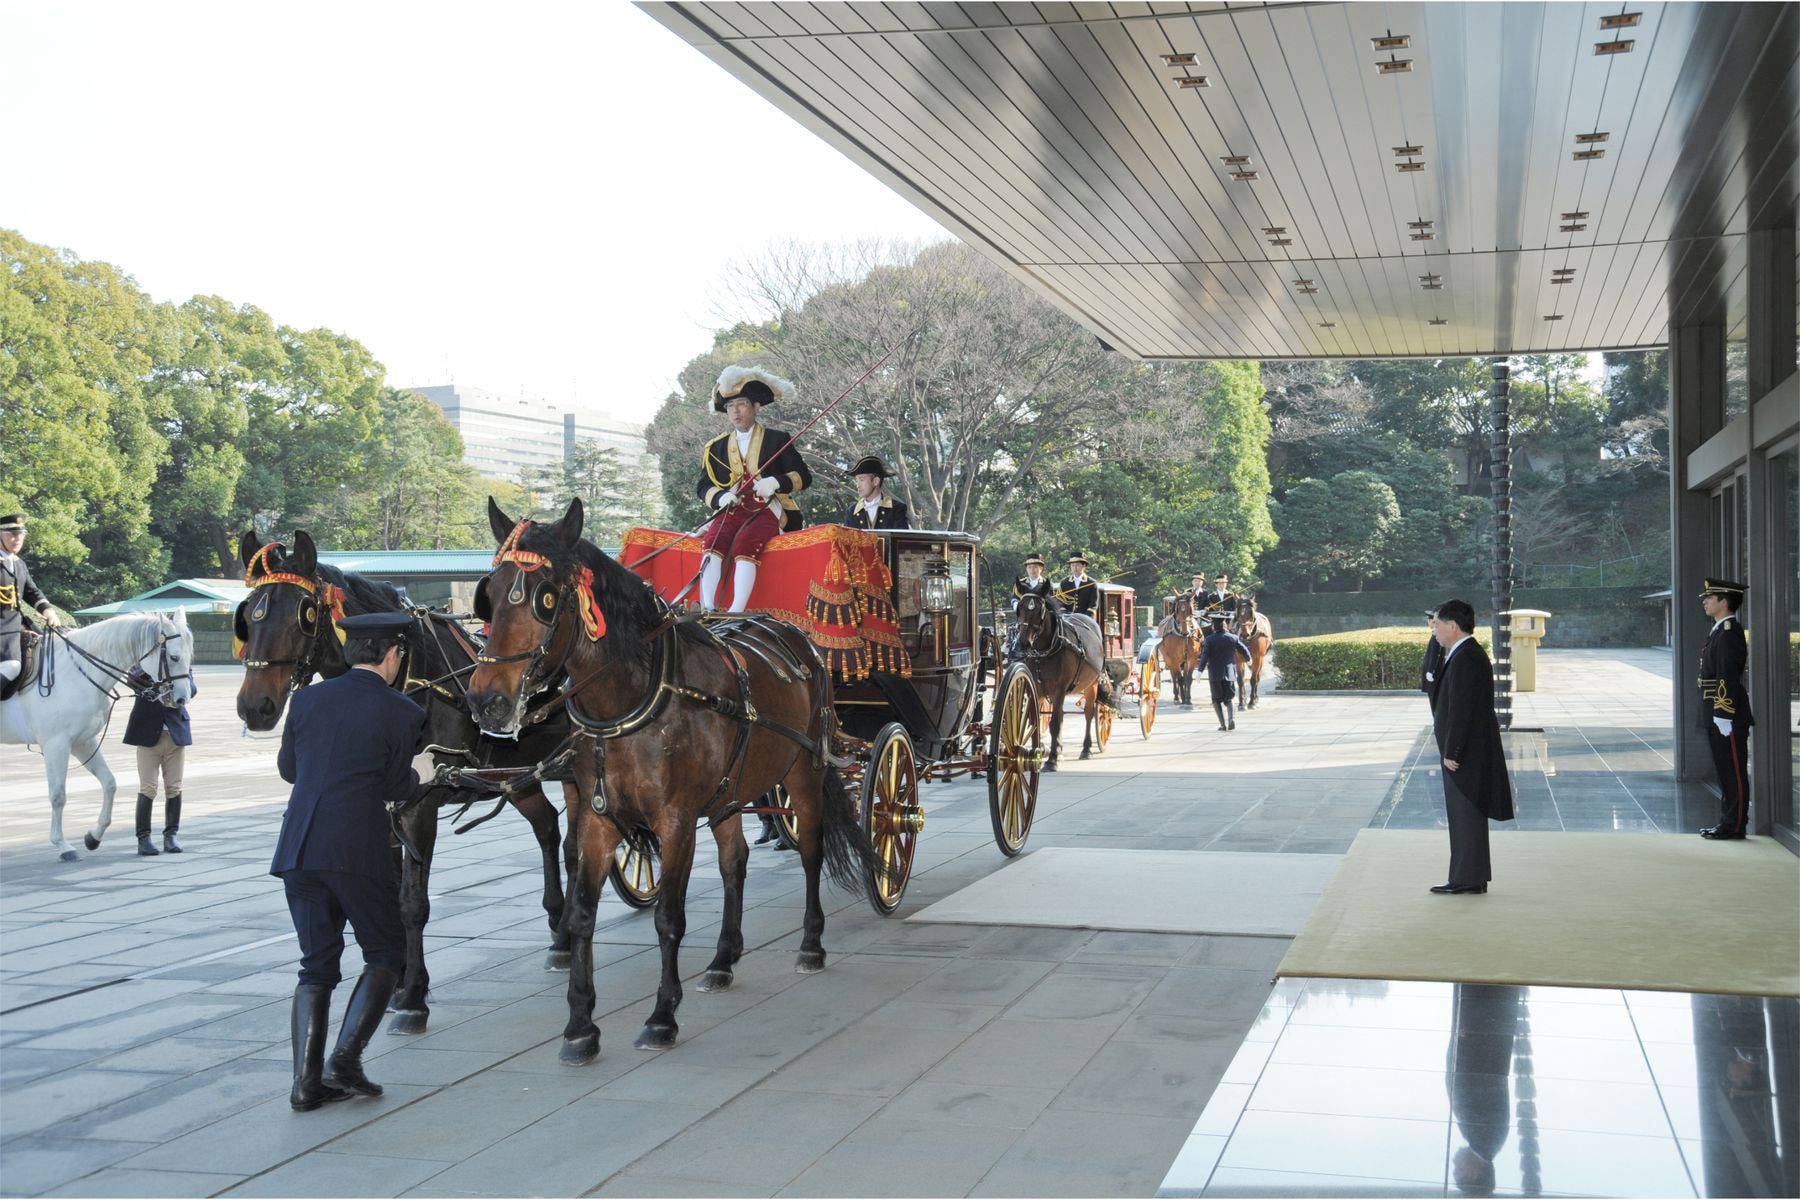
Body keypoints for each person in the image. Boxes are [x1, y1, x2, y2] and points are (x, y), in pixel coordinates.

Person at [272, 612, 432, 1111]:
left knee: (315, 967)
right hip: (355, 850)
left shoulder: (308, 698)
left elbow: (289, 769)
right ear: (392, 656)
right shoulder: (402, 710)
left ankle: (305, 1085)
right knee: (386, 953)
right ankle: (346, 1058)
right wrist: (420, 772)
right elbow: (393, 786)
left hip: (297, 849)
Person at [694, 366, 813, 613]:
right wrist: (720, 496)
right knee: (713, 540)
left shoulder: (777, 439)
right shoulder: (715, 448)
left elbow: (803, 477)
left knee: (745, 544)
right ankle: (707, 607)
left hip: (768, 509)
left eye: (741, 404)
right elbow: (703, 486)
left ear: (756, 407)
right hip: (732, 508)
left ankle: (736, 611)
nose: (735, 411)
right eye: (729, 406)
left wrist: (776, 482)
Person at [1429, 600, 1514, 894]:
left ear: (1453, 626)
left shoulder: (1466, 656)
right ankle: (1471, 877)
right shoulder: (1462, 652)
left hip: (1464, 754)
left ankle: (1466, 879)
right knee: (1465, 814)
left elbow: (1462, 709)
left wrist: (1452, 751)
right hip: (1467, 751)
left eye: (1437, 625)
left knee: (1465, 813)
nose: (1434, 630)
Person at [1695, 578, 1754, 839]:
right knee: (1725, 771)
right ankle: (1728, 823)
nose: (1705, 602)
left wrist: (1723, 712)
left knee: (1734, 773)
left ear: (1724, 601)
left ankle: (1735, 825)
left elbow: (1727, 675)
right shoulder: (1720, 630)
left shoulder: (1729, 631)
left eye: (1710, 597)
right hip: (1715, 710)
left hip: (1725, 713)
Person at [122, 665, 195, 856]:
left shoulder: (180, 663)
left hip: (175, 733)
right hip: (148, 734)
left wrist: (178, 683)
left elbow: (192, 689)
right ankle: (143, 838)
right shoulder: (143, 664)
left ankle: (171, 835)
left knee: (174, 786)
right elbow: (132, 681)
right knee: (148, 787)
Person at [0, 513, 62, 702]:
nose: (17, 538)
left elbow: (32, 592)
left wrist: (48, 611)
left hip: (18, 628)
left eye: (21, 534)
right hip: (2, 634)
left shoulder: (18, 563)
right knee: (11, 666)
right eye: (11, 533)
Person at [1195, 616, 1251, 731]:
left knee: (1216, 699)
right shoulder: (1233, 638)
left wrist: (1200, 671)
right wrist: (1249, 659)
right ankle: (1231, 719)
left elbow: (1205, 656)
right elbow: (1244, 649)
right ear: (1225, 625)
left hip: (1215, 674)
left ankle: (1222, 724)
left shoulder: (1209, 639)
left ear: (1213, 626)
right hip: (1230, 673)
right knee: (1229, 699)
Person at [841, 454, 909, 530]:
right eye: (857, 481)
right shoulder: (851, 512)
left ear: (876, 481)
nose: (858, 485)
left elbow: (900, 539)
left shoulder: (896, 509)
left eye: (861, 480)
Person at [1057, 553, 1098, 619]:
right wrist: (1065, 615)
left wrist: (1086, 618)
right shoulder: (1064, 582)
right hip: (1067, 618)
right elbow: (1059, 601)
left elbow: (1093, 604)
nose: (1075, 568)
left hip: (1086, 618)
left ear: (1084, 566)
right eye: (1072, 565)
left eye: (1077, 565)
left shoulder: (1091, 583)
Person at [1421, 610, 1447, 711]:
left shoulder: (1437, 635)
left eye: (1429, 620)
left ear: (1432, 621)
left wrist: (1431, 671)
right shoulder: (1435, 634)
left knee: (1434, 701)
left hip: (1434, 674)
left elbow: (1435, 654)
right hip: (1433, 673)